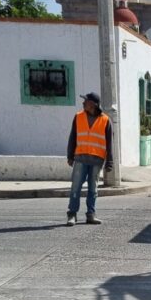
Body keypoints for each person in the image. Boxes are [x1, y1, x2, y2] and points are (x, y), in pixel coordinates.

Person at [66, 92, 113, 226]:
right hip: (80, 158)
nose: (83, 103)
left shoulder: (105, 120)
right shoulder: (78, 117)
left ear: (92, 104)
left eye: (85, 101)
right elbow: (73, 137)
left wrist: (110, 161)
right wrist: (70, 155)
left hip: (97, 160)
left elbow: (110, 143)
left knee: (93, 189)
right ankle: (72, 214)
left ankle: (91, 214)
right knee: (75, 187)